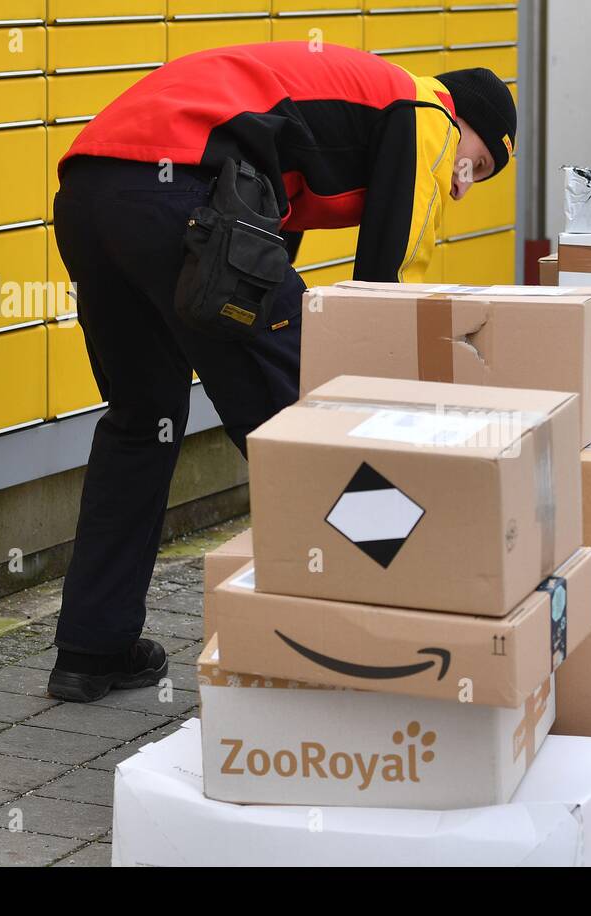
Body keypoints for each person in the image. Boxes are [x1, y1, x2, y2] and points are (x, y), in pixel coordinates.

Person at [46, 41, 516, 702]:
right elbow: (390, 287)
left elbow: (263, 248)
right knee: (308, 419)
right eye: (478, 163)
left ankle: (93, 648)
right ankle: (397, 629)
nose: (464, 185)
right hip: (179, 188)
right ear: (461, 118)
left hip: (94, 188)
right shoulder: (423, 107)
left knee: (141, 422)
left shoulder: (333, 110)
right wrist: (398, 416)